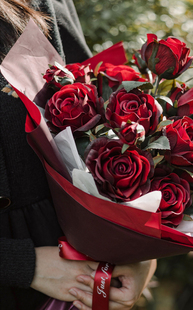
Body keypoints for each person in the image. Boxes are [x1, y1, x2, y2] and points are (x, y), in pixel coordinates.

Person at [0, 0, 156, 309]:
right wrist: (21, 264)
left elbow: (99, 125)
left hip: (77, 275)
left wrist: (139, 255)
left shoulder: (36, 3)